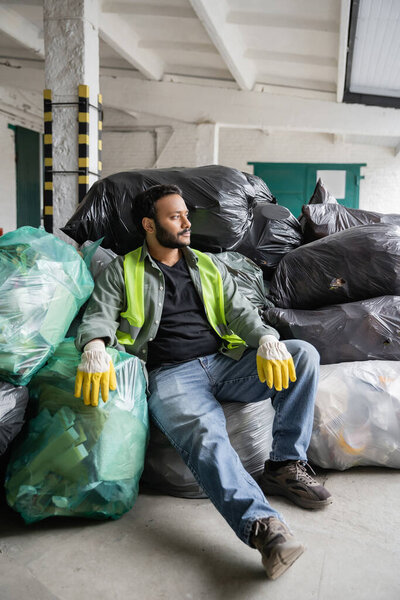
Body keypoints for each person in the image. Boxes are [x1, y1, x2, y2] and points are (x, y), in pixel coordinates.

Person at [74, 184, 332, 580]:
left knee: (303, 355)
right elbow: (100, 315)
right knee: (206, 434)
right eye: (174, 216)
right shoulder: (122, 270)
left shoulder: (209, 265)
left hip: (224, 361)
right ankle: (264, 529)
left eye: (185, 214)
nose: (185, 222)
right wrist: (93, 347)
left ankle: (284, 464)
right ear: (148, 224)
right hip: (171, 375)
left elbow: (241, 311)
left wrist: (265, 339)